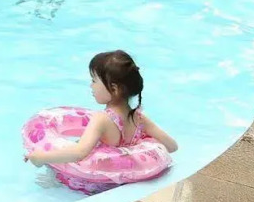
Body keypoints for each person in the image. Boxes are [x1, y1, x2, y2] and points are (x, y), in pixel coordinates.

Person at [25, 50, 178, 171]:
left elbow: (79, 153)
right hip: (121, 178)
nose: (91, 86)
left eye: (94, 81)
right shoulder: (139, 119)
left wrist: (40, 158)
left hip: (90, 181)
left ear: (114, 88)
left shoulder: (102, 119)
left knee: (51, 175)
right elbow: (172, 146)